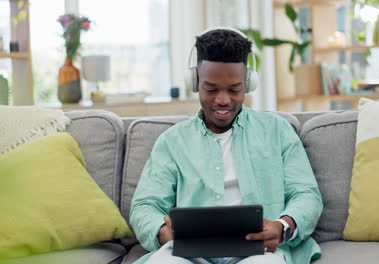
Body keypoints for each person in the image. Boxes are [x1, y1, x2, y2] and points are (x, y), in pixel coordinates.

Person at [130, 27, 323, 264]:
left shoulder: (277, 130)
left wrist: (283, 226)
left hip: (260, 253)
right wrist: (163, 231)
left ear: (248, 83)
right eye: (211, 89)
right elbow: (144, 205)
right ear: (195, 82)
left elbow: (306, 194)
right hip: (188, 253)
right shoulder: (172, 141)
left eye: (234, 89)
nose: (223, 100)